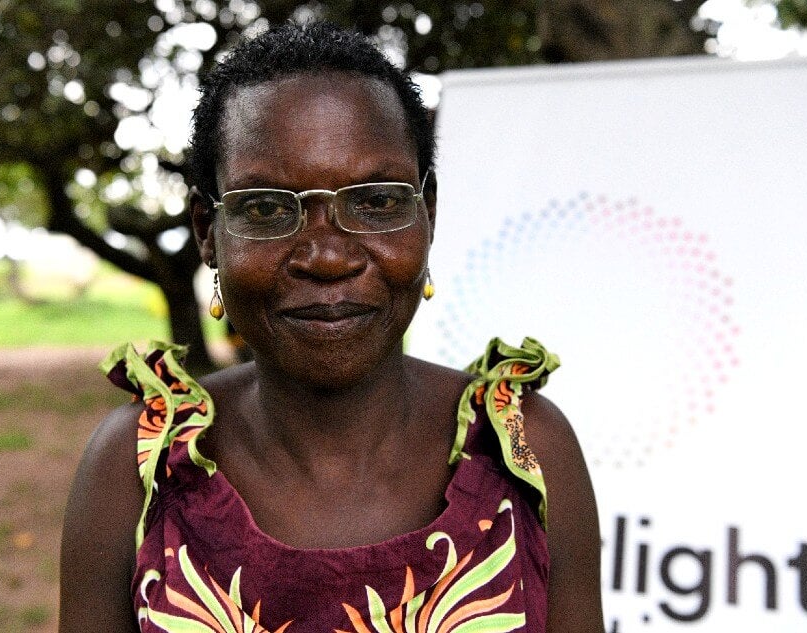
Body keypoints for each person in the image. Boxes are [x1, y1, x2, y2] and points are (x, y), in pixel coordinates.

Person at [59, 22, 604, 633]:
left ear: (428, 215)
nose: (327, 256)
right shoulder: (137, 467)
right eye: (266, 208)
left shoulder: (526, 452)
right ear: (207, 232)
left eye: (375, 201)